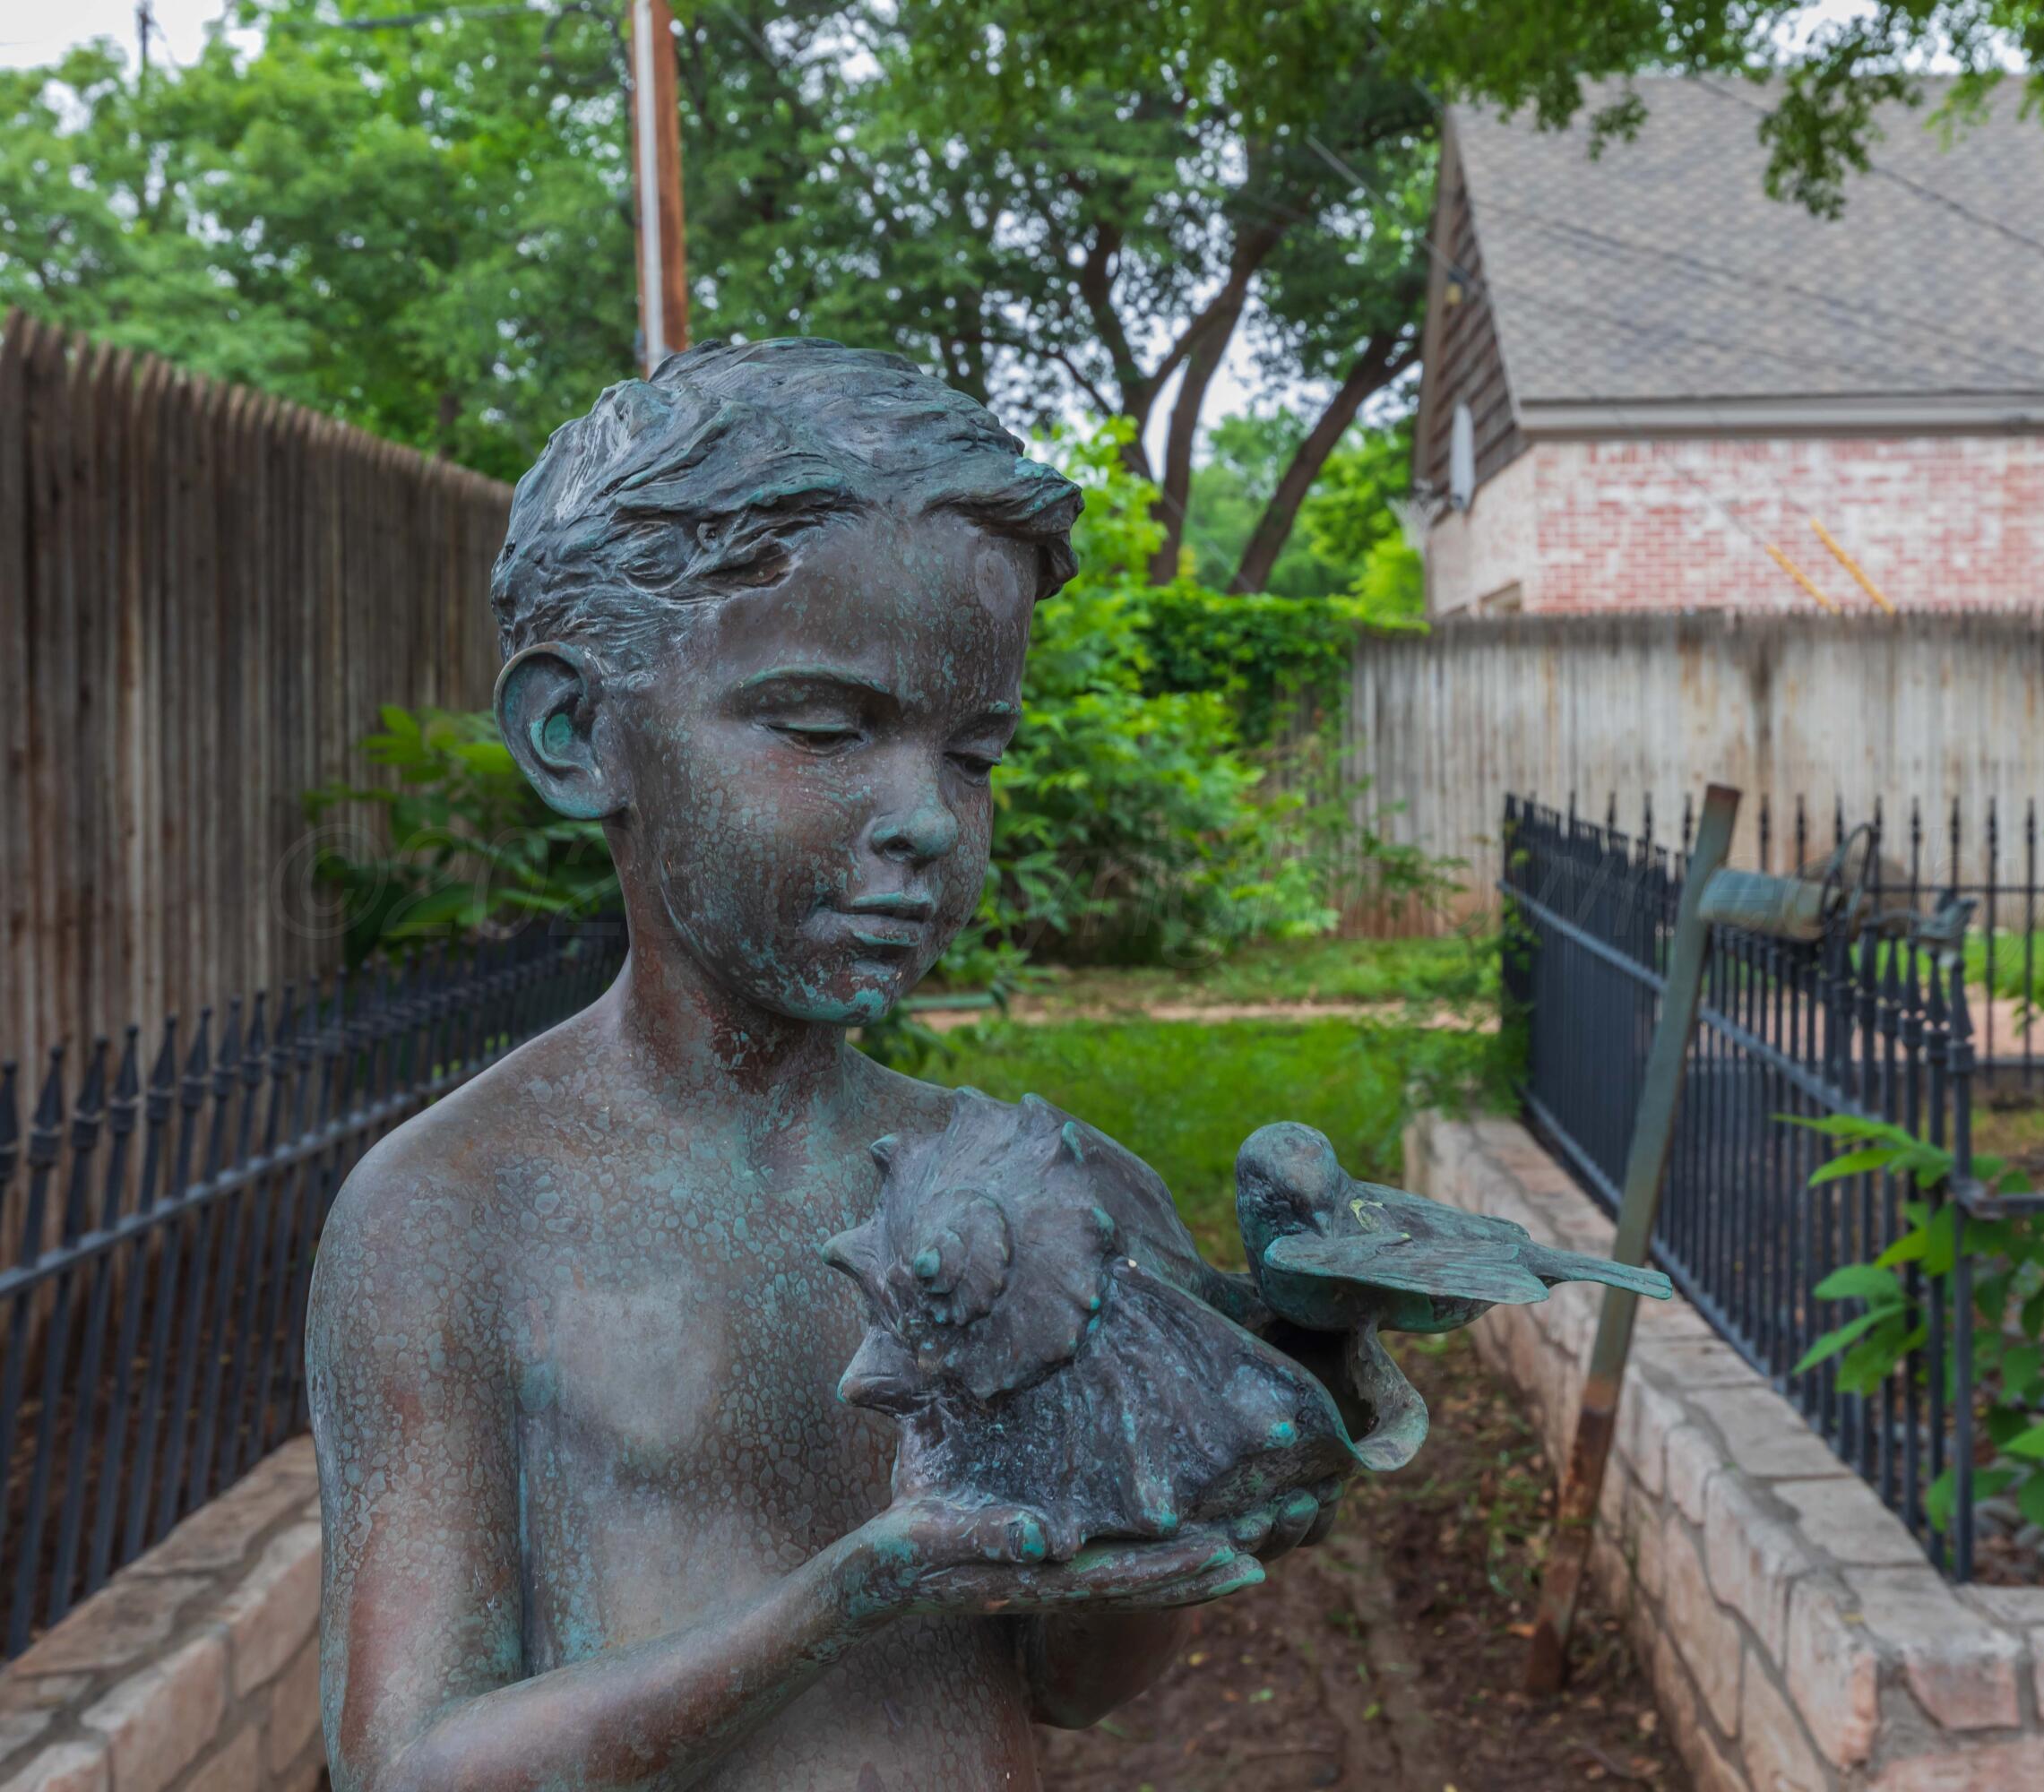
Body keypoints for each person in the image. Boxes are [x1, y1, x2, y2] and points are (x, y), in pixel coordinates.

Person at [306, 340, 1322, 1792]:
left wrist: (1224, 1465)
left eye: (974, 754)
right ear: (578, 733)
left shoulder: (1036, 1189)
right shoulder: (455, 1214)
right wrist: (856, 1592)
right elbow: (411, 1769)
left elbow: (1069, 1682)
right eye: (829, 728)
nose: (927, 819)